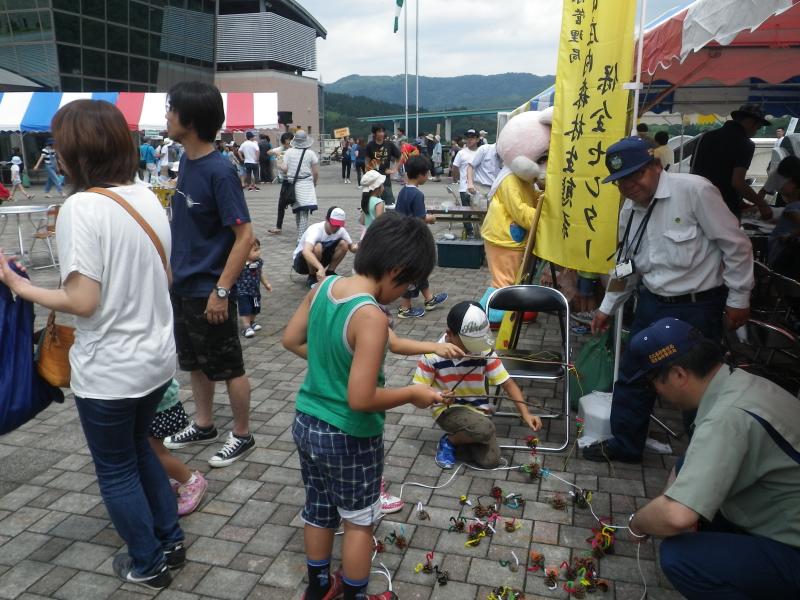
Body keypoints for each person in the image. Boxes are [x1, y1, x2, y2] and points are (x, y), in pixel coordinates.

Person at [0, 99, 184, 590]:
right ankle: (171, 538)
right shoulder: (146, 195)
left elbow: (82, 299)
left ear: (77, 152)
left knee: (117, 467)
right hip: (157, 359)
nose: (54, 153)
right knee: (141, 451)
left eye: (59, 144)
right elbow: (165, 274)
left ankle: (147, 562)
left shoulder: (83, 206)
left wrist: (19, 287)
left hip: (112, 368)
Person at [282, 211, 444, 600]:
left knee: (319, 509)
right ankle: (355, 594)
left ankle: (319, 587)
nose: (403, 291)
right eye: (407, 284)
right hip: (348, 435)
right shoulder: (369, 314)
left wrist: (329, 366)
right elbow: (361, 398)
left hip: (307, 424)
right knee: (358, 522)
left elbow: (290, 339)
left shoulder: (325, 287)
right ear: (396, 271)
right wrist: (412, 393)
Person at [582, 136, 754, 464]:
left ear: (655, 166)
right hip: (652, 303)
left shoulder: (694, 191)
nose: (629, 185)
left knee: (696, 383)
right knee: (633, 375)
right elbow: (625, 269)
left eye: (636, 175)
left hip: (696, 307)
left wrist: (739, 298)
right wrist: (606, 308)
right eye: (620, 181)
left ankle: (703, 460)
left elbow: (736, 245)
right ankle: (625, 445)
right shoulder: (629, 212)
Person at [621, 318, 800, 600]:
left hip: (792, 548)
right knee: (687, 481)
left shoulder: (726, 417)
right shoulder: (737, 381)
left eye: (652, 380)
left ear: (679, 374)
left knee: (681, 557)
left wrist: (637, 522)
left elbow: (676, 516)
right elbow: (689, 463)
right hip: (778, 516)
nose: (654, 390)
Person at [161, 81, 257, 468]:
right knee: (195, 362)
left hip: (208, 288)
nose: (166, 116)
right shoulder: (186, 161)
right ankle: (204, 423)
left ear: (192, 119)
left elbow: (245, 235)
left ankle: (242, 433)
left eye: (171, 109)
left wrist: (222, 290)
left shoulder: (220, 170)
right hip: (182, 285)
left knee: (228, 364)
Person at [414, 301, 541, 469]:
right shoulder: (432, 357)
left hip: (478, 411)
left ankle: (465, 439)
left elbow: (508, 384)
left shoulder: (484, 351)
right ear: (449, 334)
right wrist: (437, 397)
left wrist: (525, 413)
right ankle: (449, 440)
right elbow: (417, 395)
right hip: (447, 410)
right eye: (467, 345)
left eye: (475, 344)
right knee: (485, 429)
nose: (471, 351)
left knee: (490, 461)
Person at [691, 104, 774, 221]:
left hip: (698, 203)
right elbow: (737, 182)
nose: (756, 132)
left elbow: (694, 171)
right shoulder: (745, 144)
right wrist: (762, 204)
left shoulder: (704, 137)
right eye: (758, 127)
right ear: (751, 122)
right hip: (725, 208)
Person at [395, 155, 448, 318]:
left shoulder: (403, 191)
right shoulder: (418, 195)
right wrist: (430, 218)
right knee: (411, 273)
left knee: (420, 270)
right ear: (421, 174)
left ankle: (429, 298)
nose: (428, 176)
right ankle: (405, 308)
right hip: (413, 240)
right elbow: (420, 218)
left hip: (403, 237)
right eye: (427, 173)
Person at [148, 379, 208, 517]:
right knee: (148, 449)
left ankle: (192, 482)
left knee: (153, 450)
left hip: (157, 404)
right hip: (150, 400)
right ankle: (160, 480)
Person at [292, 207, 358, 288]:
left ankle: (330, 272)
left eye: (339, 225)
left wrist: (358, 248)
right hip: (300, 263)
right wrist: (320, 268)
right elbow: (306, 252)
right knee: (318, 247)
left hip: (319, 259)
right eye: (334, 224)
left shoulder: (341, 230)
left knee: (344, 244)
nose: (336, 228)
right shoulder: (315, 229)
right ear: (327, 220)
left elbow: (352, 248)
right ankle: (312, 276)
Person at [280, 130, 320, 242]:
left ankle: (300, 235)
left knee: (298, 210)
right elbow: (315, 172)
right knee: (304, 211)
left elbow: (284, 167)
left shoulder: (289, 152)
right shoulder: (310, 153)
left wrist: (282, 166)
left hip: (292, 184)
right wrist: (315, 182)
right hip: (306, 183)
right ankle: (301, 238)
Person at [766, 156, 800, 279]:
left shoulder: (791, 210)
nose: (780, 184)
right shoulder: (791, 209)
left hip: (782, 260)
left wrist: (789, 236)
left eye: (784, 180)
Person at [236, 238, 272, 338]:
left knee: (255, 307)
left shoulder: (258, 262)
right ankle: (246, 327)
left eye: (259, 249)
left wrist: (266, 284)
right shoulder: (240, 264)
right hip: (242, 291)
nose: (258, 252)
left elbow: (260, 274)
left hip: (255, 290)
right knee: (245, 308)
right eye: (255, 250)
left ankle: (252, 322)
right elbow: (233, 276)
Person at [451, 129, 480, 236]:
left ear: (477, 139)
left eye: (472, 137)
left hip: (479, 188)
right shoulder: (461, 153)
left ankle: (480, 233)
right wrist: (456, 179)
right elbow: (455, 167)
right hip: (464, 188)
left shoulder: (481, 152)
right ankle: (470, 233)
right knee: (466, 213)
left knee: (480, 212)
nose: (469, 140)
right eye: (468, 137)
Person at [365, 125, 401, 205]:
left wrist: (394, 169)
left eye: (382, 131)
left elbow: (399, 157)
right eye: (379, 131)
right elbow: (367, 161)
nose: (381, 134)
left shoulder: (389, 144)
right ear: (374, 133)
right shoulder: (370, 145)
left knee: (389, 202)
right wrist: (367, 173)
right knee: (374, 202)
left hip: (385, 177)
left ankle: (388, 217)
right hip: (373, 178)